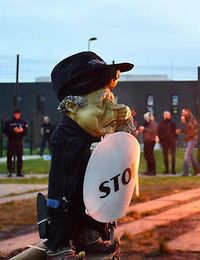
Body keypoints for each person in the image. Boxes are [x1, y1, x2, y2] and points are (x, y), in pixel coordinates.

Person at [45, 51, 133, 259]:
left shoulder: (93, 132)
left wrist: (122, 133)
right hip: (66, 206)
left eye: (112, 101)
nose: (113, 109)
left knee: (96, 195)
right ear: (73, 107)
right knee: (67, 196)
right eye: (103, 103)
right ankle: (59, 244)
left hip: (93, 203)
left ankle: (90, 232)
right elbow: (71, 176)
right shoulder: (67, 137)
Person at [2, 108, 28, 177]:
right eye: (15, 114)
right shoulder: (9, 122)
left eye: (18, 114)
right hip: (11, 141)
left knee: (20, 157)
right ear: (14, 114)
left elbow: (26, 131)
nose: (17, 115)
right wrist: (13, 130)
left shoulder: (23, 122)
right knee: (9, 156)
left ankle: (19, 172)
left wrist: (22, 130)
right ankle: (9, 171)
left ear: (20, 114)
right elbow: (5, 130)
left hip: (19, 141)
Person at [181, 108, 200, 176]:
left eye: (183, 112)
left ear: (187, 112)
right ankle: (197, 170)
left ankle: (185, 173)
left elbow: (193, 130)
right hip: (190, 139)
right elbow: (188, 130)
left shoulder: (191, 119)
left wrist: (185, 122)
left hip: (192, 139)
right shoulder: (188, 119)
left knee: (187, 156)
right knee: (191, 156)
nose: (182, 114)